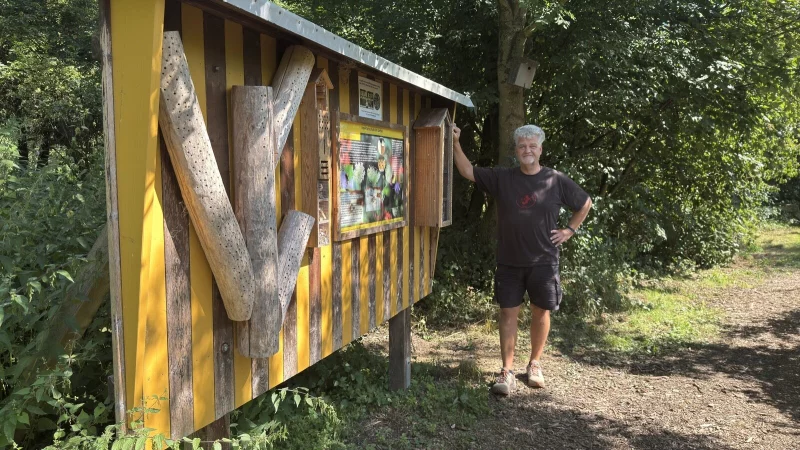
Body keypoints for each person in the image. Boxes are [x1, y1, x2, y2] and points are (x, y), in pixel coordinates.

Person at [452, 124, 592, 395]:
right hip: (509, 261)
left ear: (540, 149)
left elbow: (584, 202)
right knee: (508, 313)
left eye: (532, 146)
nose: (527, 150)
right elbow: (467, 171)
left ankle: (535, 364)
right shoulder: (503, 178)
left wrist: (569, 230)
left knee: (541, 311)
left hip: (544, 261)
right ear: (516, 150)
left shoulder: (555, 180)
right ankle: (506, 370)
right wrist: (456, 142)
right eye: (522, 146)